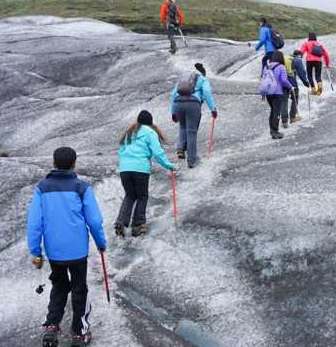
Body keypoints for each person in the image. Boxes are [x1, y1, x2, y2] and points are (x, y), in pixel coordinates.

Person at [26, 147, 107, 347]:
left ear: (54, 165)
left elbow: (34, 223)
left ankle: (52, 326)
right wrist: (101, 243)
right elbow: (94, 221)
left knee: (59, 286)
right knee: (80, 288)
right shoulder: (81, 187)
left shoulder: (42, 188)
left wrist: (36, 253)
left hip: (55, 251)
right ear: (74, 165)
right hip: (77, 251)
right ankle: (80, 333)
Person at [114, 110, 176, 238]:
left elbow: (121, 152)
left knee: (130, 196)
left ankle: (122, 220)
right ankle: (137, 226)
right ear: (150, 123)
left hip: (125, 169)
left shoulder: (129, 133)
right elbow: (157, 153)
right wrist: (169, 165)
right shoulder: (150, 132)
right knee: (142, 196)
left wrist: (124, 165)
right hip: (140, 168)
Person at [170, 63, 217, 168]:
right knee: (191, 131)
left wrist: (173, 112)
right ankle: (192, 160)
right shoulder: (202, 78)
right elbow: (206, 91)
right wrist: (213, 109)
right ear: (203, 73)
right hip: (192, 104)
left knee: (183, 126)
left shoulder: (183, 78)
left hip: (178, 103)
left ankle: (181, 148)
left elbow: (173, 94)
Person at [261, 51, 294, 139]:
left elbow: (263, 80)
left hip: (268, 92)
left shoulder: (266, 66)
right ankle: (275, 131)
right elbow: (284, 80)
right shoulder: (281, 67)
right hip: (277, 92)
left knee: (273, 110)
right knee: (276, 111)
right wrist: (291, 87)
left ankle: (272, 129)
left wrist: (263, 94)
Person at [280, 50, 310, 128]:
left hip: (282, 83)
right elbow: (302, 73)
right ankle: (292, 117)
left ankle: (284, 121)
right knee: (295, 98)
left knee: (284, 101)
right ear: (299, 55)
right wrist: (306, 83)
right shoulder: (297, 60)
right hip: (292, 83)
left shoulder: (284, 59)